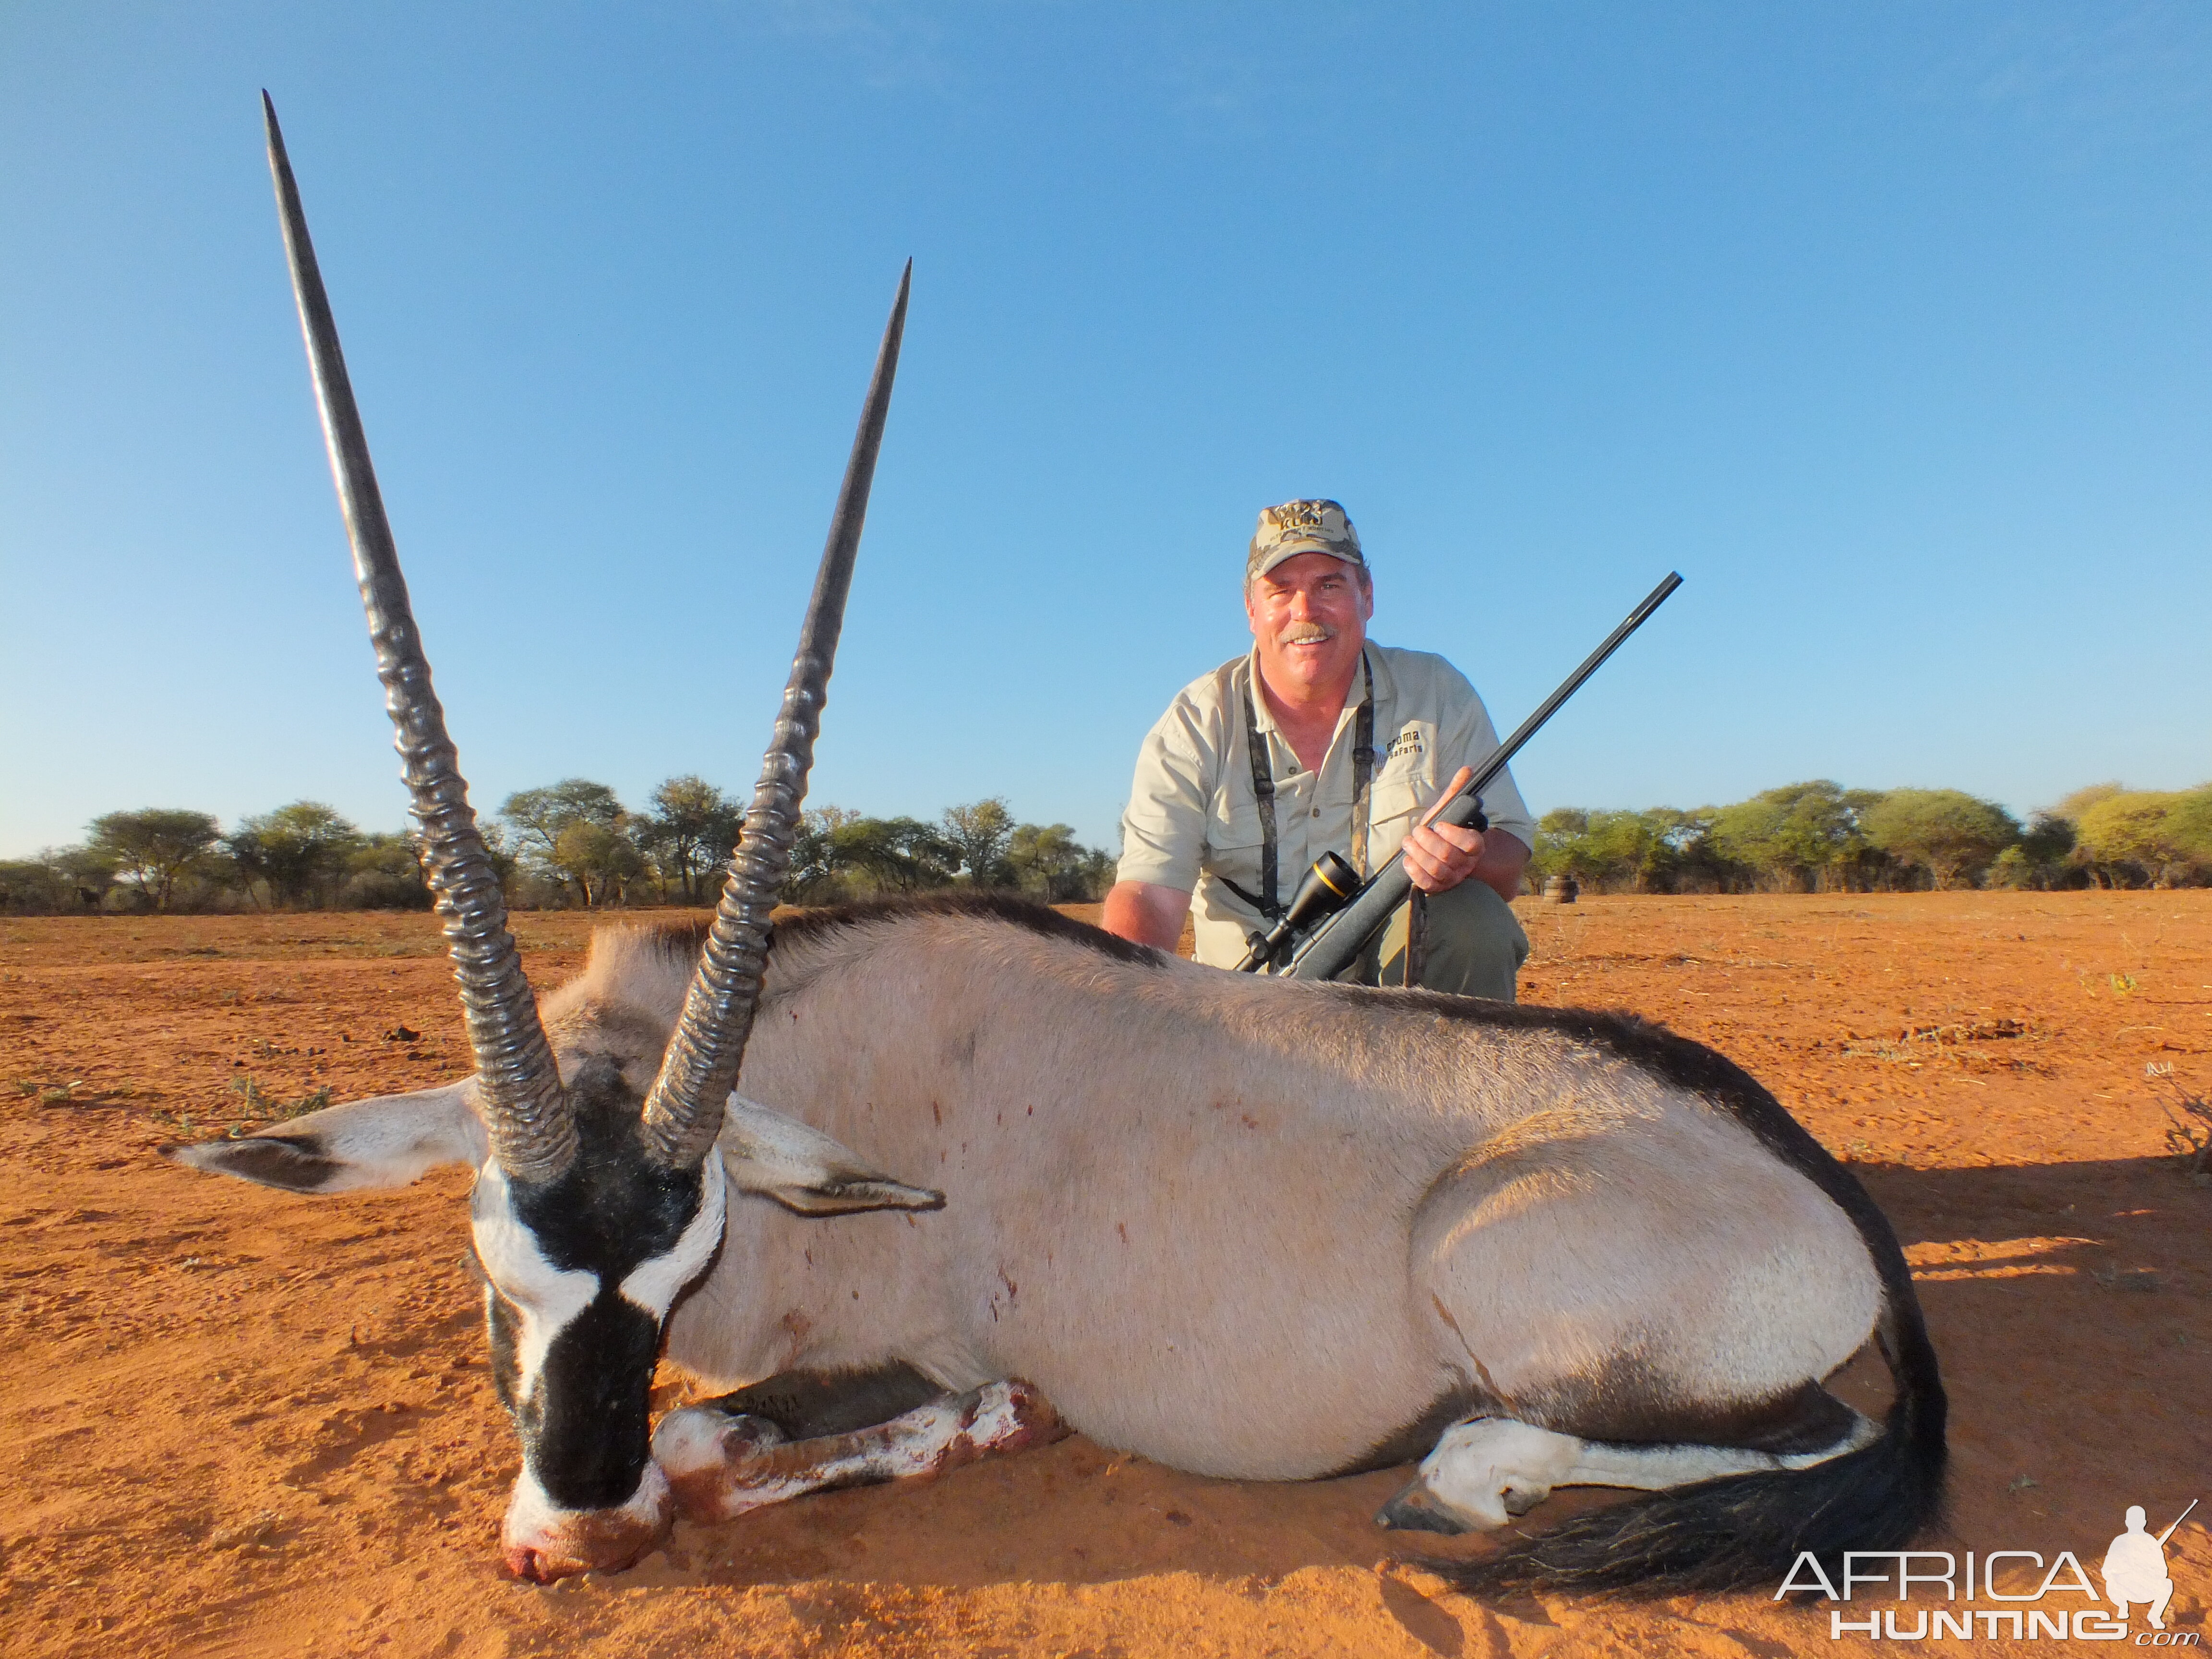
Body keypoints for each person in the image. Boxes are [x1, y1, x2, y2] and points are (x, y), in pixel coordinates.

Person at [1102, 499, 1535, 997]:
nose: (1304, 612)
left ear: (1367, 596)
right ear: (1251, 609)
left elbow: (1509, 863)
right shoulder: (1194, 723)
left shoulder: (1437, 692)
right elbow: (1149, 898)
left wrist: (1468, 858)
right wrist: (1119, 1004)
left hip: (1397, 992)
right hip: (1240, 1000)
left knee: (1474, 922)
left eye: (1329, 585)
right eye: (1281, 591)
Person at [2102, 1505, 2175, 1630]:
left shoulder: (2151, 1543)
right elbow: (2107, 1570)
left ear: (2144, 1523)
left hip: (2145, 1587)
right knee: (2112, 1582)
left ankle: (2155, 1616)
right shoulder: (2120, 1541)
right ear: (2127, 1523)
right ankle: (2123, 1608)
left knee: (2167, 1584)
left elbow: (2163, 1571)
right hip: (2124, 1587)